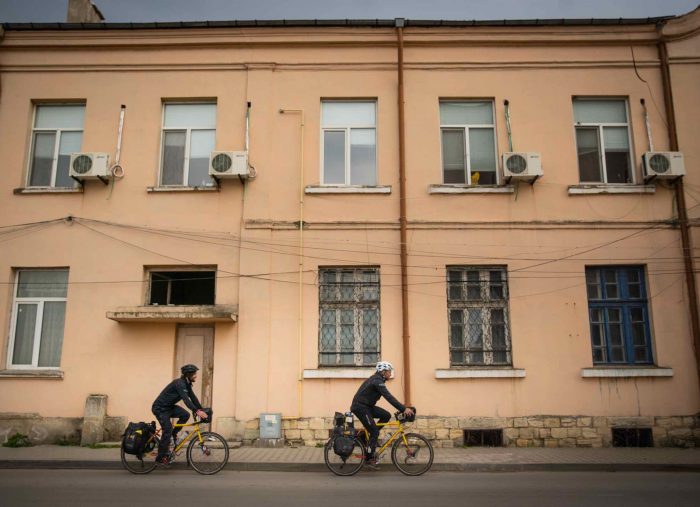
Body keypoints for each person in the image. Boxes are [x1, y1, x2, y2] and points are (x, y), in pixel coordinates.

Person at [351, 361, 414, 465]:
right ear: (383, 372)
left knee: (386, 415)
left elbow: (388, 397)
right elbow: (388, 397)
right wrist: (404, 409)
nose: (390, 374)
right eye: (389, 371)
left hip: (367, 406)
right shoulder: (377, 381)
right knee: (375, 432)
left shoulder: (378, 379)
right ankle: (369, 458)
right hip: (360, 407)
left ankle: (366, 437)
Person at [151, 363, 208, 466]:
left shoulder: (187, 384)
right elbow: (186, 400)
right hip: (160, 408)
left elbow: (193, 398)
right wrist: (197, 411)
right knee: (167, 429)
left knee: (185, 415)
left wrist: (201, 409)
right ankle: (160, 457)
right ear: (188, 375)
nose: (196, 375)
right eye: (194, 374)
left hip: (169, 407)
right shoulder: (179, 384)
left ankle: (173, 434)